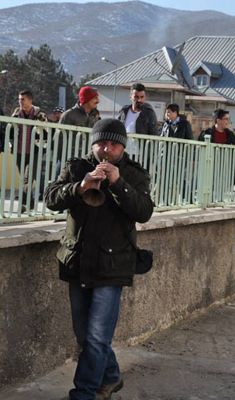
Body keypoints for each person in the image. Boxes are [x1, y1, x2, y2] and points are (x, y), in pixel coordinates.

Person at [44, 118, 154, 399]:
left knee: (96, 338)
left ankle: (83, 393)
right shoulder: (77, 167)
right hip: (77, 261)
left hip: (113, 265)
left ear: (122, 148)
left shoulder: (134, 174)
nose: (107, 149)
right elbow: (50, 198)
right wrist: (79, 187)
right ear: (93, 144)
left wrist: (117, 183)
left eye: (114, 145)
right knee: (86, 337)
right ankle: (112, 376)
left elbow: (143, 211)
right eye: (101, 143)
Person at [11, 90, 48, 212]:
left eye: (23, 99)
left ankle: (23, 204)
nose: (20, 102)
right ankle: (30, 202)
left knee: (27, 178)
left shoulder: (40, 115)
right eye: (19, 99)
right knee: (24, 179)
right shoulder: (16, 114)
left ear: (30, 100)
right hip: (19, 151)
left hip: (35, 152)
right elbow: (11, 131)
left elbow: (46, 132)